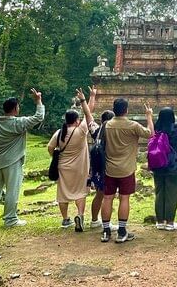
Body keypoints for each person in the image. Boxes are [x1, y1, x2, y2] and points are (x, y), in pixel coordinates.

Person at [0, 89, 45, 228]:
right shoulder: (18, 123)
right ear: (15, 109)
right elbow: (39, 117)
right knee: (12, 190)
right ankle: (10, 219)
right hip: (13, 162)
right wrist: (38, 101)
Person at [100, 98, 154, 243]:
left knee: (107, 198)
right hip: (126, 169)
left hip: (109, 168)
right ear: (126, 110)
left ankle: (105, 231)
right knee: (124, 198)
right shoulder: (133, 125)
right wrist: (149, 116)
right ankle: (122, 231)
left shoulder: (106, 125)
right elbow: (150, 134)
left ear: (114, 109)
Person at [48, 89, 96, 232]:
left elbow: (50, 148)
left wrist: (56, 156)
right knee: (80, 192)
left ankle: (65, 219)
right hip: (80, 168)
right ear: (76, 121)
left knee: (63, 193)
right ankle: (80, 216)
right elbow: (89, 113)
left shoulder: (59, 133)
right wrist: (90, 97)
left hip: (63, 167)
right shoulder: (80, 131)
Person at [152, 89, 177, 231]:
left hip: (157, 165)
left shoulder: (156, 130)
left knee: (159, 193)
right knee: (172, 193)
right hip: (172, 165)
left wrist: (148, 116)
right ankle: (169, 222)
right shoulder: (174, 129)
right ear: (171, 118)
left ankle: (159, 221)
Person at [85, 85, 113, 229]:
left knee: (99, 195)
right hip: (109, 168)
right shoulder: (113, 132)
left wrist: (91, 97)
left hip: (96, 167)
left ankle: (95, 220)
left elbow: (88, 115)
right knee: (108, 196)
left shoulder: (96, 130)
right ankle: (106, 223)